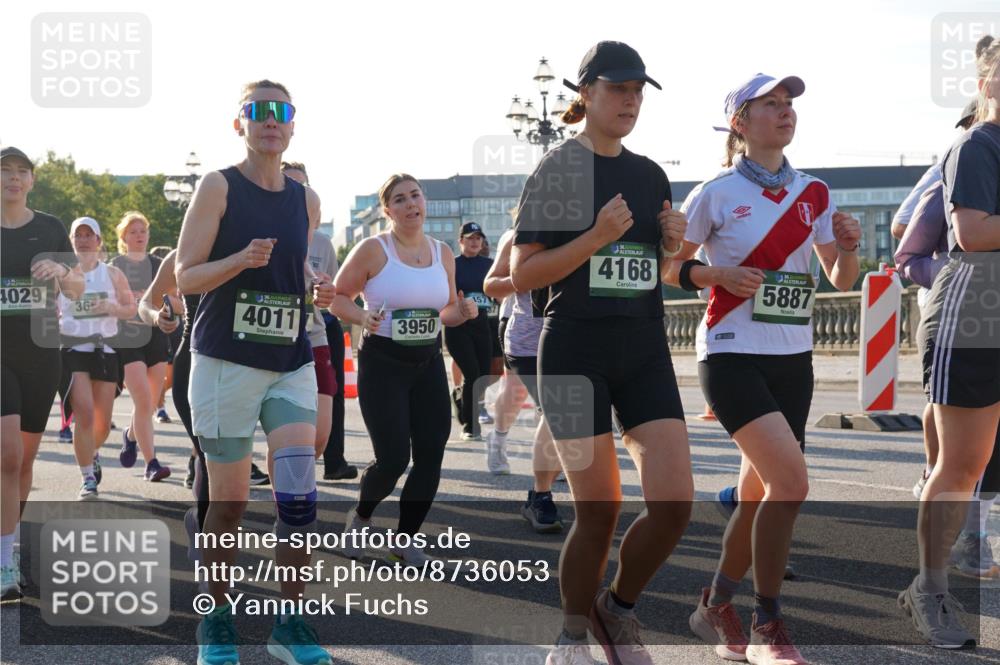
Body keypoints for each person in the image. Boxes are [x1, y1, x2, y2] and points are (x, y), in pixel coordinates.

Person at [511, 41, 693, 665]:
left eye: (638, 90)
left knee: (674, 504)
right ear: (585, 93)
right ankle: (569, 639)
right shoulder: (560, 169)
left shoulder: (650, 175)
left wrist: (672, 246)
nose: (630, 100)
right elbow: (524, 274)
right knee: (600, 510)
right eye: (618, 88)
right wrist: (595, 236)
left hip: (643, 349)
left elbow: (656, 270)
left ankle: (617, 607)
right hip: (573, 350)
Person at [670, 72, 860, 664]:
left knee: (757, 494)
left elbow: (841, 279)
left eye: (789, 104)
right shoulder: (714, 193)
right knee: (792, 484)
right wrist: (717, 274)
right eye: (770, 104)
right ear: (740, 123)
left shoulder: (815, 192)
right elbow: (668, 268)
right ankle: (767, 625)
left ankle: (715, 604)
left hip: (793, 357)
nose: (785, 112)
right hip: (730, 351)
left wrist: (848, 246)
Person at [175, 79, 334, 665]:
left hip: (289, 361)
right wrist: (239, 260)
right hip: (225, 362)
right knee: (230, 504)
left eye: (280, 110)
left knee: (299, 498)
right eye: (258, 110)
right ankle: (216, 621)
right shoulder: (218, 186)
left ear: (292, 124)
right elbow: (186, 275)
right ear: (239, 123)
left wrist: (317, 291)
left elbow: (293, 275)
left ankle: (289, 624)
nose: (271, 119)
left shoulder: (306, 199)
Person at [902, 38, 1000, 649]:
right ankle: (930, 589)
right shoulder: (977, 145)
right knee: (961, 466)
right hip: (974, 316)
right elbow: (973, 231)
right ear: (987, 84)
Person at [333, 173, 478, 565]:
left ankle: (406, 538)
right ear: (387, 210)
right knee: (394, 459)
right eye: (400, 199)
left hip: (427, 363)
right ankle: (361, 517)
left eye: (415, 195)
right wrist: (362, 317)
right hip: (383, 364)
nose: (411, 204)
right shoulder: (373, 249)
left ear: (424, 201)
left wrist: (463, 312)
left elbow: (447, 310)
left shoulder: (442, 252)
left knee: (431, 453)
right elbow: (337, 298)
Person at [1, 146, 84, 599]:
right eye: (4, 171)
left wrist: (60, 271)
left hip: (41, 354)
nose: (13, 178)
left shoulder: (50, 227)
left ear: (31, 180)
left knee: (24, 462)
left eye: (21, 172)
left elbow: (77, 289)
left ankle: (8, 545)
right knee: (7, 455)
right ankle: (3, 564)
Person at [894, 93, 981, 501]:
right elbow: (901, 227)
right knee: (942, 397)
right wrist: (950, 267)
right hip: (951, 298)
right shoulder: (951, 163)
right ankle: (934, 470)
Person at [485, 227, 563, 533]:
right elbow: (491, 285)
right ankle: (499, 438)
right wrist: (524, 277)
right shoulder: (518, 234)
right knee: (523, 397)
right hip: (526, 336)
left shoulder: (593, 228)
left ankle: (547, 482)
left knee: (565, 416)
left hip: (573, 335)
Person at [59, 217, 136, 499]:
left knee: (102, 425)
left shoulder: (112, 274)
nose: (83, 240)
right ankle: (87, 478)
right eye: (77, 235)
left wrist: (111, 307)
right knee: (85, 414)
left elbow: (131, 308)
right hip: (73, 350)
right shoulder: (63, 275)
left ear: (98, 240)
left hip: (105, 350)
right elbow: (46, 309)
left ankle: (91, 453)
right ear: (71, 241)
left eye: (88, 235)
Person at [281, 161, 339, 463]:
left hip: (313, 336)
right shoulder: (259, 232)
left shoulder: (323, 243)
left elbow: (332, 297)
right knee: (284, 439)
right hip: (270, 339)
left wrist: (325, 292)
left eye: (301, 186)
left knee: (318, 438)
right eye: (287, 184)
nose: (295, 193)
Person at [111, 211, 171, 481]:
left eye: (142, 231)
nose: (139, 236)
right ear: (123, 237)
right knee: (144, 400)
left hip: (155, 336)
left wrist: (171, 309)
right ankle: (152, 464)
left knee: (148, 404)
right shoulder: (115, 266)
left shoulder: (159, 265)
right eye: (133, 232)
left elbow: (173, 296)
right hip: (127, 338)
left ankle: (130, 435)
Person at [445, 222, 496, 440]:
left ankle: (459, 397)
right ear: (461, 241)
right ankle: (471, 426)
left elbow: (498, 292)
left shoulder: (490, 265)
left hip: (482, 325)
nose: (475, 242)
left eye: (478, 238)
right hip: (458, 327)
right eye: (470, 238)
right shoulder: (452, 264)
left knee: (482, 375)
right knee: (472, 374)